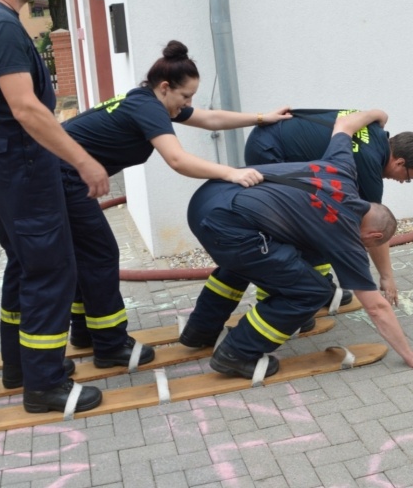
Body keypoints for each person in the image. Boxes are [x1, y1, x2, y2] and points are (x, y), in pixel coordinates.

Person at [61, 40, 291, 360]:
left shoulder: (148, 100)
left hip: (60, 174)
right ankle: (111, 346)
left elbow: (209, 119)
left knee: (84, 255)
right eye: (185, 96)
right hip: (61, 176)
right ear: (166, 87)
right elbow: (177, 160)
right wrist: (231, 173)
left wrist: (260, 117)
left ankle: (85, 332)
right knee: (100, 255)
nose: (187, 104)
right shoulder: (150, 108)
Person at [179, 110, 413, 377]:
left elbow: (343, 124)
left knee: (248, 262)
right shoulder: (345, 232)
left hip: (209, 195)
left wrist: (378, 113)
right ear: (375, 236)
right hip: (224, 223)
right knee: (311, 291)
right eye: (367, 244)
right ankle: (236, 353)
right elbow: (377, 307)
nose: (362, 248)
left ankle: (201, 330)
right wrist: (410, 356)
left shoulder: (343, 168)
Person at [0, 0, 108, 414]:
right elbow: (25, 108)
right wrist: (83, 160)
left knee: (23, 264)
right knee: (50, 269)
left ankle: (19, 366)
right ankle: (46, 384)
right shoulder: (1, 26)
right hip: (21, 164)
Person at [244, 108, 413, 306]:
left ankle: (321, 289)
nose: (402, 182)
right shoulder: (369, 164)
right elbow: (378, 226)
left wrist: (378, 113)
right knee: (294, 226)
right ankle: (277, 301)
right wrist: (386, 277)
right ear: (400, 163)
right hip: (269, 151)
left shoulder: (374, 131)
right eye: (408, 178)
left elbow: (380, 114)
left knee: (324, 217)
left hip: (269, 135)